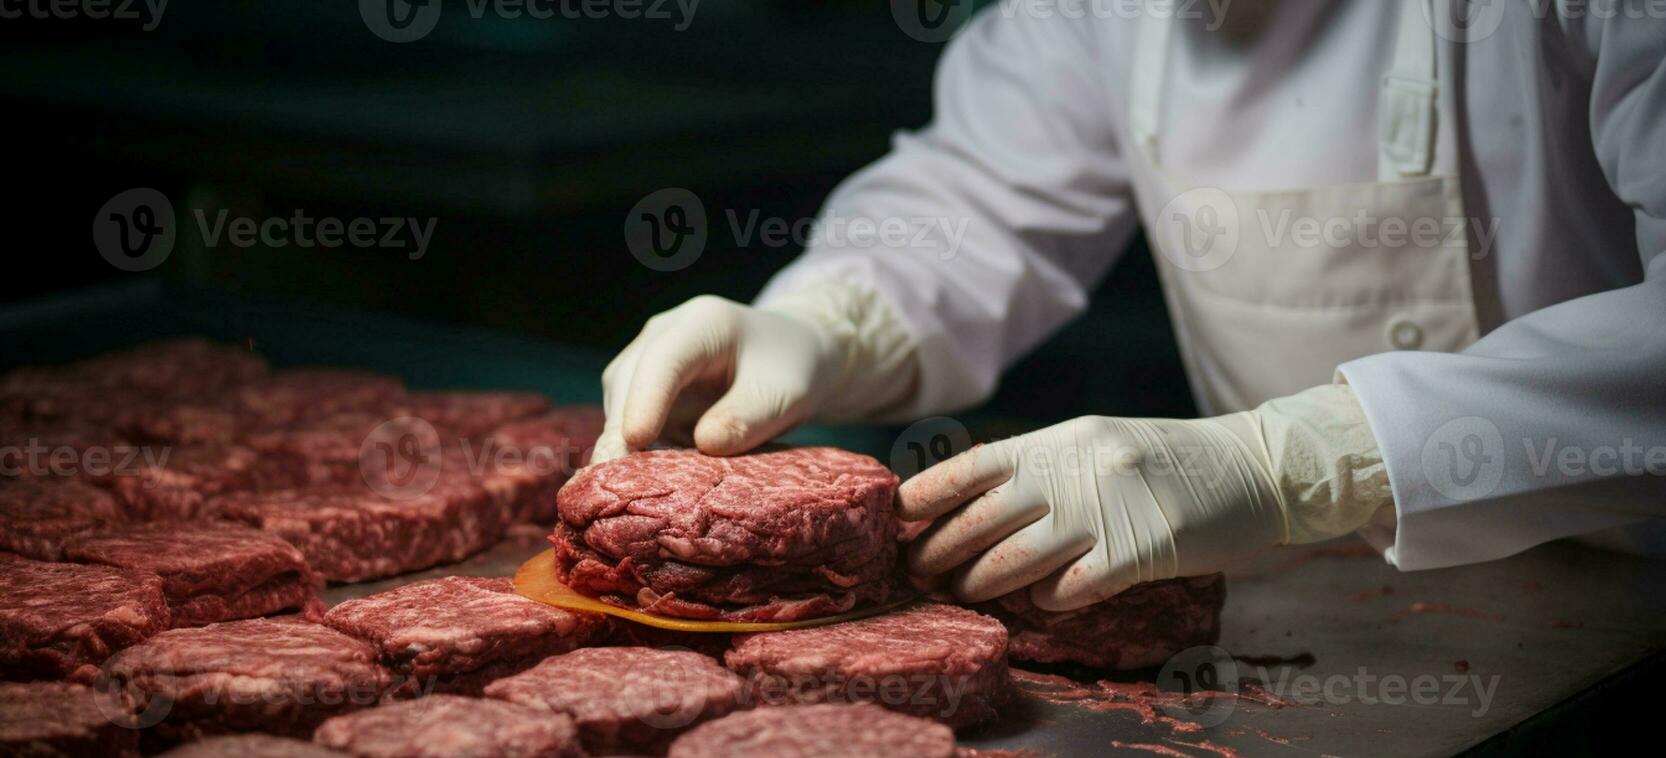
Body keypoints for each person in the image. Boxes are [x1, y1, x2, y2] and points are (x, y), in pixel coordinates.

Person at [592, 0, 1665, 611]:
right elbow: (983, 190)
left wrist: (1298, 458)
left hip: (1629, 590)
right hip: (1314, 594)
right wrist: (830, 317)